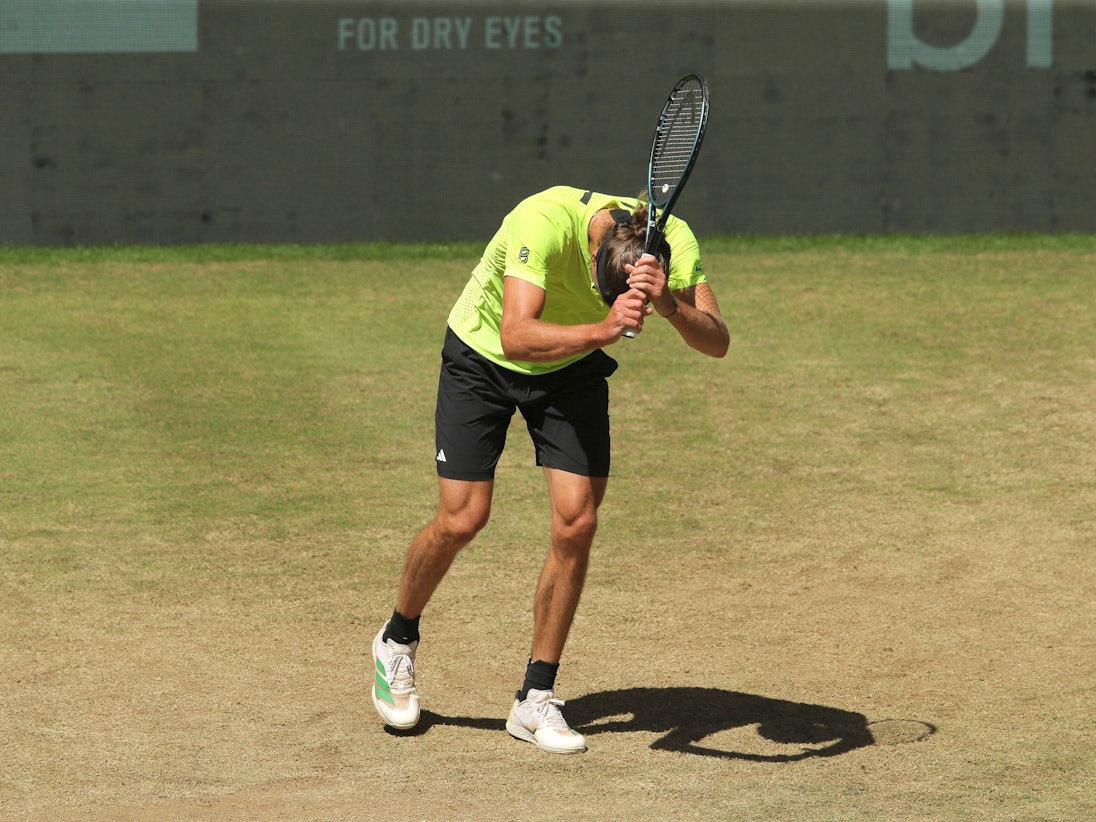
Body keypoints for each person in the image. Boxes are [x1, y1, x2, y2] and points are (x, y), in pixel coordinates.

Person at [371, 185, 729, 753]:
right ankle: (397, 639)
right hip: (484, 355)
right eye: (598, 287)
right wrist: (604, 328)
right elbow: (516, 335)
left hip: (572, 371)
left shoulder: (673, 239)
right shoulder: (542, 220)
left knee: (577, 521)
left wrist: (668, 304)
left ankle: (535, 698)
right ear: (595, 247)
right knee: (463, 518)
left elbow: (716, 342)